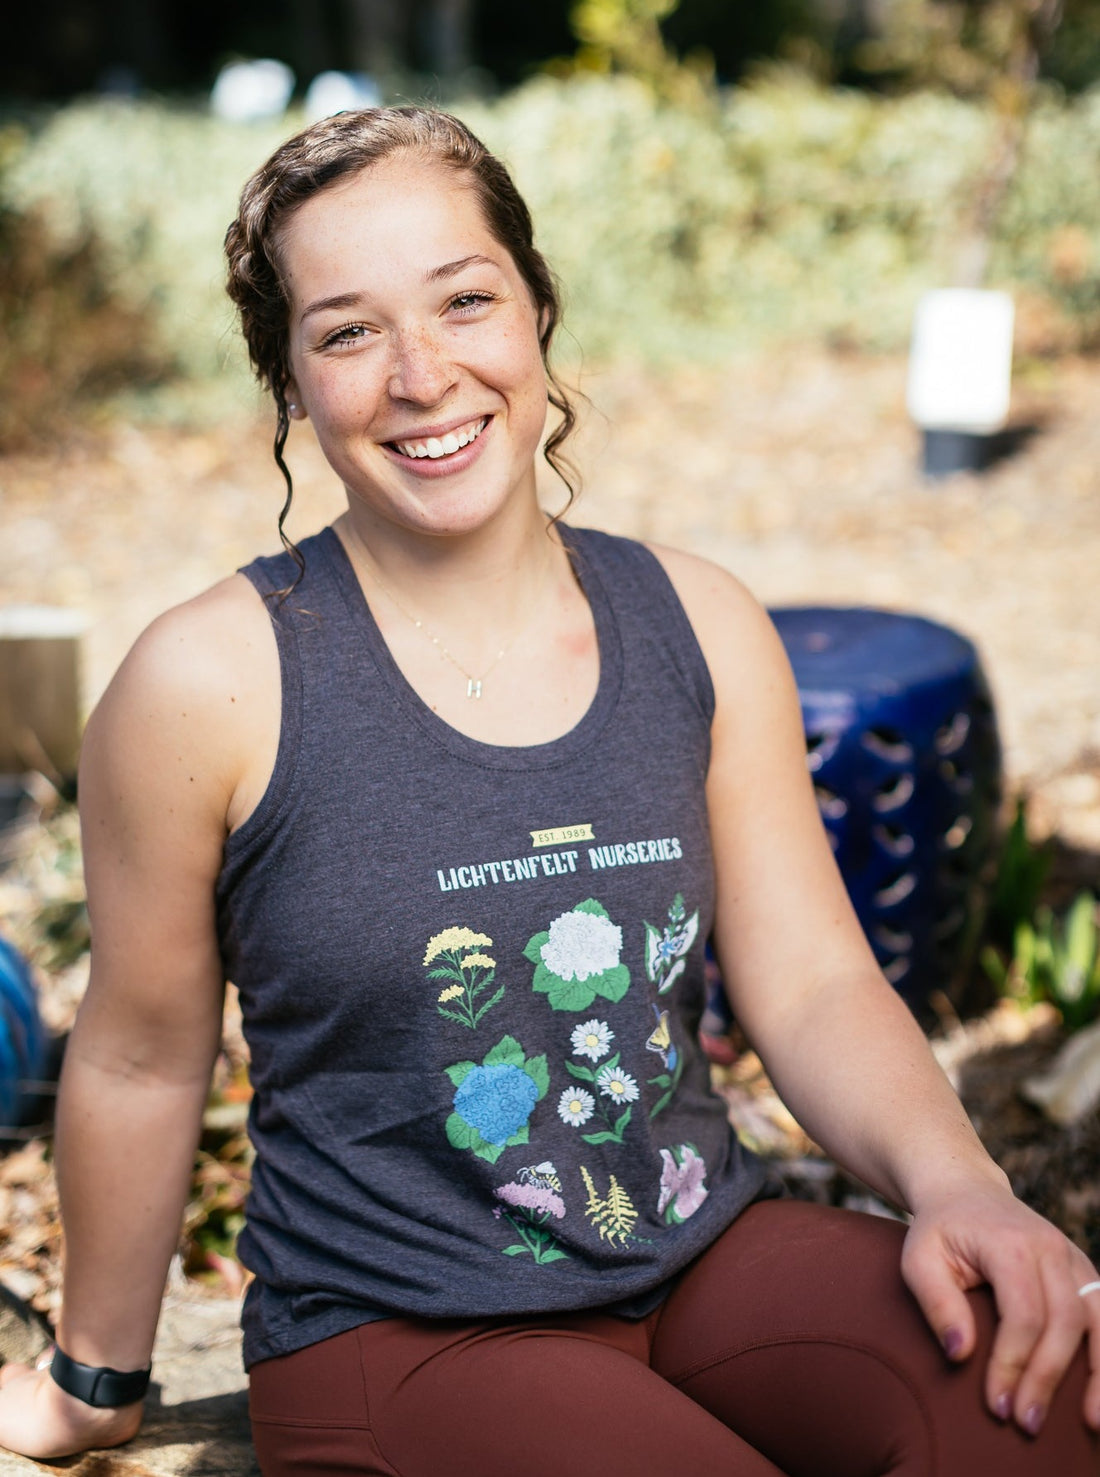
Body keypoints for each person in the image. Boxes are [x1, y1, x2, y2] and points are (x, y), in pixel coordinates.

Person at [0, 106, 1096, 1477]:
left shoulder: (696, 622)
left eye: (465, 302)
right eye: (347, 332)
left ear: (535, 313)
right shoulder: (208, 681)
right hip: (400, 1334)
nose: (422, 373)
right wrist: (92, 1378)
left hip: (700, 1257)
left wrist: (962, 1189)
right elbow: (138, 1051)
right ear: (287, 382)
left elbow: (811, 978)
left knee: (1036, 1404)